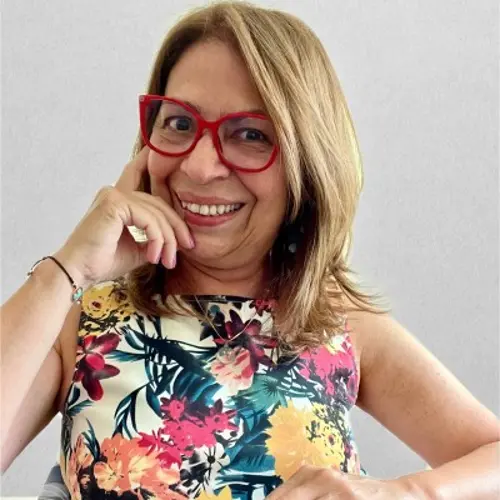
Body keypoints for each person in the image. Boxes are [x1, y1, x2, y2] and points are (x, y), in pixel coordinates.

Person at [1, 1, 499, 499]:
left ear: (307, 163)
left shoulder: (338, 322)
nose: (199, 167)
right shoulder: (82, 315)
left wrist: (403, 492)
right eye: (179, 123)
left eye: (250, 135)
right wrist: (66, 270)